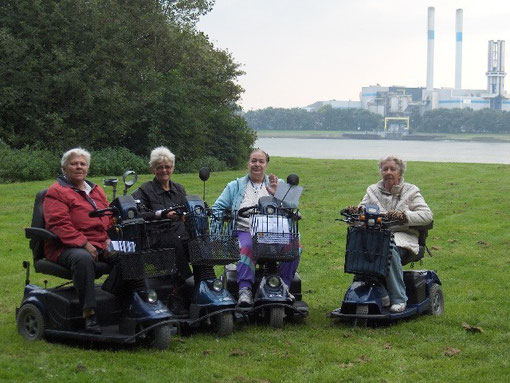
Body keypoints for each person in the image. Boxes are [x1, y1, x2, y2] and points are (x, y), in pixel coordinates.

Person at [212, 149, 300, 306]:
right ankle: (244, 290)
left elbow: (293, 205)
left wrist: (276, 193)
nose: (257, 164)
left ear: (266, 164)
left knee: (295, 246)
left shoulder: (276, 183)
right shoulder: (235, 186)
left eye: (261, 161)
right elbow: (218, 207)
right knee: (248, 245)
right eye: (253, 161)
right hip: (244, 230)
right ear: (248, 163)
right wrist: (220, 225)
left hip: (273, 232)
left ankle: (284, 285)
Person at [43, 148, 112, 333]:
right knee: (83, 259)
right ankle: (89, 313)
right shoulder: (57, 191)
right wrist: (83, 243)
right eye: (74, 164)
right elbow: (58, 224)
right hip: (64, 246)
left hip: (99, 243)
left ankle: (119, 300)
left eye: (83, 164)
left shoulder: (96, 191)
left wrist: (109, 239)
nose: (79, 167)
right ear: (65, 168)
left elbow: (108, 218)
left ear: (87, 168)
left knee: (128, 254)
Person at [359, 156, 433, 313]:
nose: (388, 172)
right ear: (380, 171)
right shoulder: (372, 190)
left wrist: (403, 216)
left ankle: (399, 298)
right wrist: (356, 214)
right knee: (357, 248)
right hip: (376, 236)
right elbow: (361, 210)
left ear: (400, 172)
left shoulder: (411, 191)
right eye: (385, 169)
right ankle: (378, 289)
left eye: (393, 169)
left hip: (402, 237)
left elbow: (427, 215)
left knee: (388, 247)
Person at [131, 146, 192, 317]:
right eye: (159, 167)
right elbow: (138, 214)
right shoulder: (144, 190)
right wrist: (162, 214)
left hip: (180, 234)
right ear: (153, 169)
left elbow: (187, 211)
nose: (164, 170)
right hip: (156, 238)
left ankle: (202, 285)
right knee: (174, 243)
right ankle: (177, 293)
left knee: (197, 241)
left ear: (172, 167)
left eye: (167, 166)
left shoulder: (179, 189)